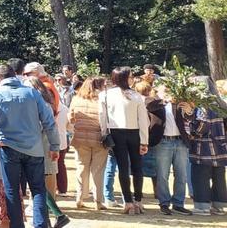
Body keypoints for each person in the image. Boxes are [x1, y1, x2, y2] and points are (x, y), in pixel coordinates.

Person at [0, 63, 60, 228]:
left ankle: (17, 225)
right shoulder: (32, 93)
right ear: (15, 74)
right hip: (34, 148)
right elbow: (49, 121)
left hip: (8, 148)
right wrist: (54, 146)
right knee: (38, 189)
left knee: (12, 190)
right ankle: (41, 225)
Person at [100, 66, 149, 214]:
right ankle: (138, 200)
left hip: (115, 133)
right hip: (134, 133)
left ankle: (128, 201)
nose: (133, 79)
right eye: (130, 76)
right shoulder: (136, 96)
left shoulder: (105, 94)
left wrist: (104, 135)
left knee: (122, 168)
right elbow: (143, 121)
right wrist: (144, 140)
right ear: (123, 78)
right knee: (137, 167)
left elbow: (102, 117)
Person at [24, 76, 71, 228]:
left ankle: (57, 215)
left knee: (38, 184)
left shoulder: (41, 104)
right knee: (38, 184)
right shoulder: (46, 103)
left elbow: (41, 127)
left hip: (41, 147)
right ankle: (52, 218)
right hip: (42, 145)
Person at [186, 76, 227, 216]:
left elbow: (203, 126)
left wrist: (192, 132)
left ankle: (202, 206)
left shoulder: (203, 104)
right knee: (219, 178)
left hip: (204, 148)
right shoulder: (220, 102)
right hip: (220, 147)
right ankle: (219, 206)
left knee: (200, 177)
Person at [68, 76, 110, 210]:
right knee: (98, 170)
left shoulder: (76, 99)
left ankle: (79, 197)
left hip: (80, 137)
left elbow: (70, 118)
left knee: (81, 168)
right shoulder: (103, 100)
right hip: (99, 138)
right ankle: (98, 200)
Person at [153, 82, 193, 215]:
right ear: (158, 90)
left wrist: (189, 111)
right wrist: (164, 100)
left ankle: (178, 203)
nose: (168, 91)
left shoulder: (178, 102)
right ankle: (164, 203)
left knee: (181, 175)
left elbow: (190, 118)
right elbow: (149, 107)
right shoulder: (155, 102)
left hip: (180, 142)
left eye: (169, 89)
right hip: (163, 142)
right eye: (165, 89)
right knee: (162, 175)